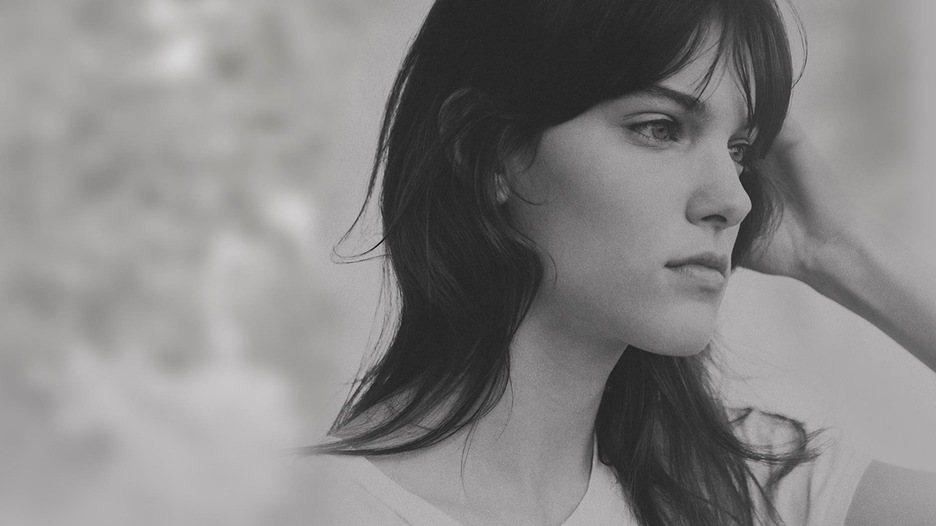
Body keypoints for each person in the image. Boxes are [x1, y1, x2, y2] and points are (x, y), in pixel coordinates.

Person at [307, 0, 936, 524]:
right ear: (485, 152)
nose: (735, 199)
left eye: (740, 149)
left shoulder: (755, 492)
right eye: (660, 127)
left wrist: (842, 251)